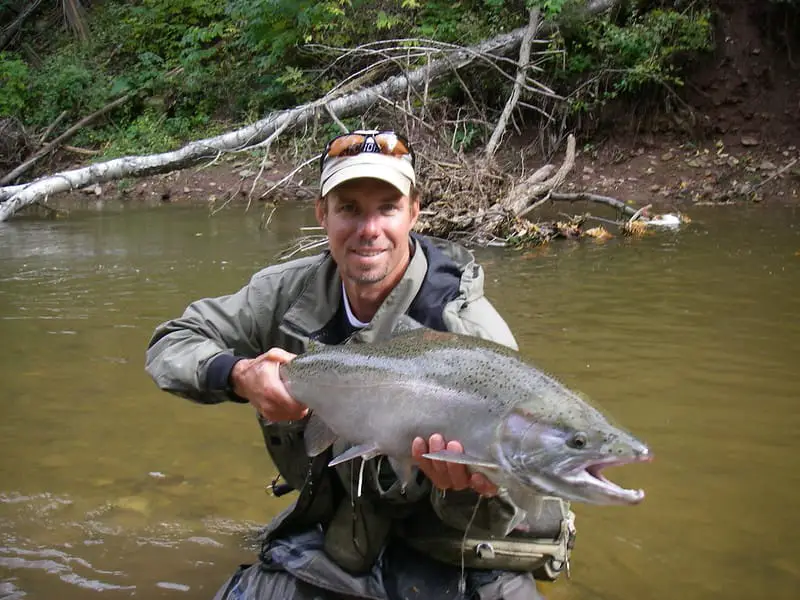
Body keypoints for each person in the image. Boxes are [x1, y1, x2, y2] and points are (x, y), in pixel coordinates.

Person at [145, 130, 574, 600]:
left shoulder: (473, 334)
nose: (368, 229)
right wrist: (237, 375)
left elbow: (520, 494)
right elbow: (173, 342)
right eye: (349, 208)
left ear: (414, 211)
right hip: (340, 536)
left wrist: (473, 487)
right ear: (321, 214)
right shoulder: (286, 293)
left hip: (456, 553)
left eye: (386, 208)